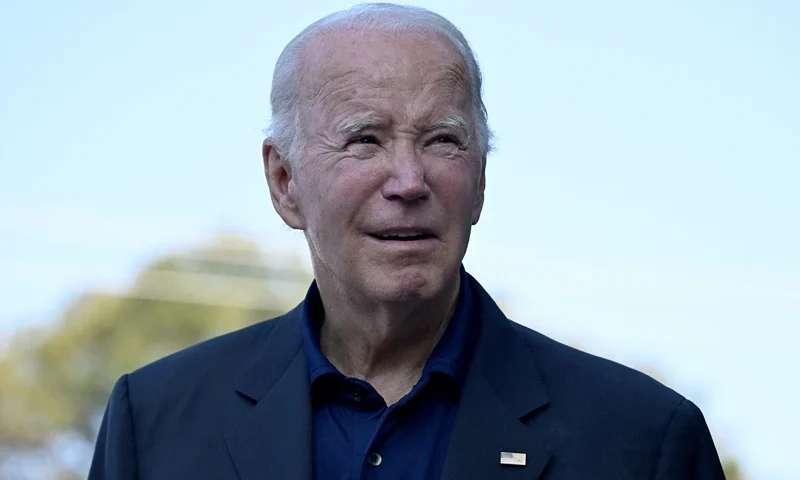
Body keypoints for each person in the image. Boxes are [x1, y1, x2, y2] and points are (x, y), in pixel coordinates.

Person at [88, 3, 726, 479]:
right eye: (364, 138)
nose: (409, 181)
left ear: (479, 181)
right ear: (284, 182)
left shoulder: (643, 441)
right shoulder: (155, 424)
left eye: (443, 140)